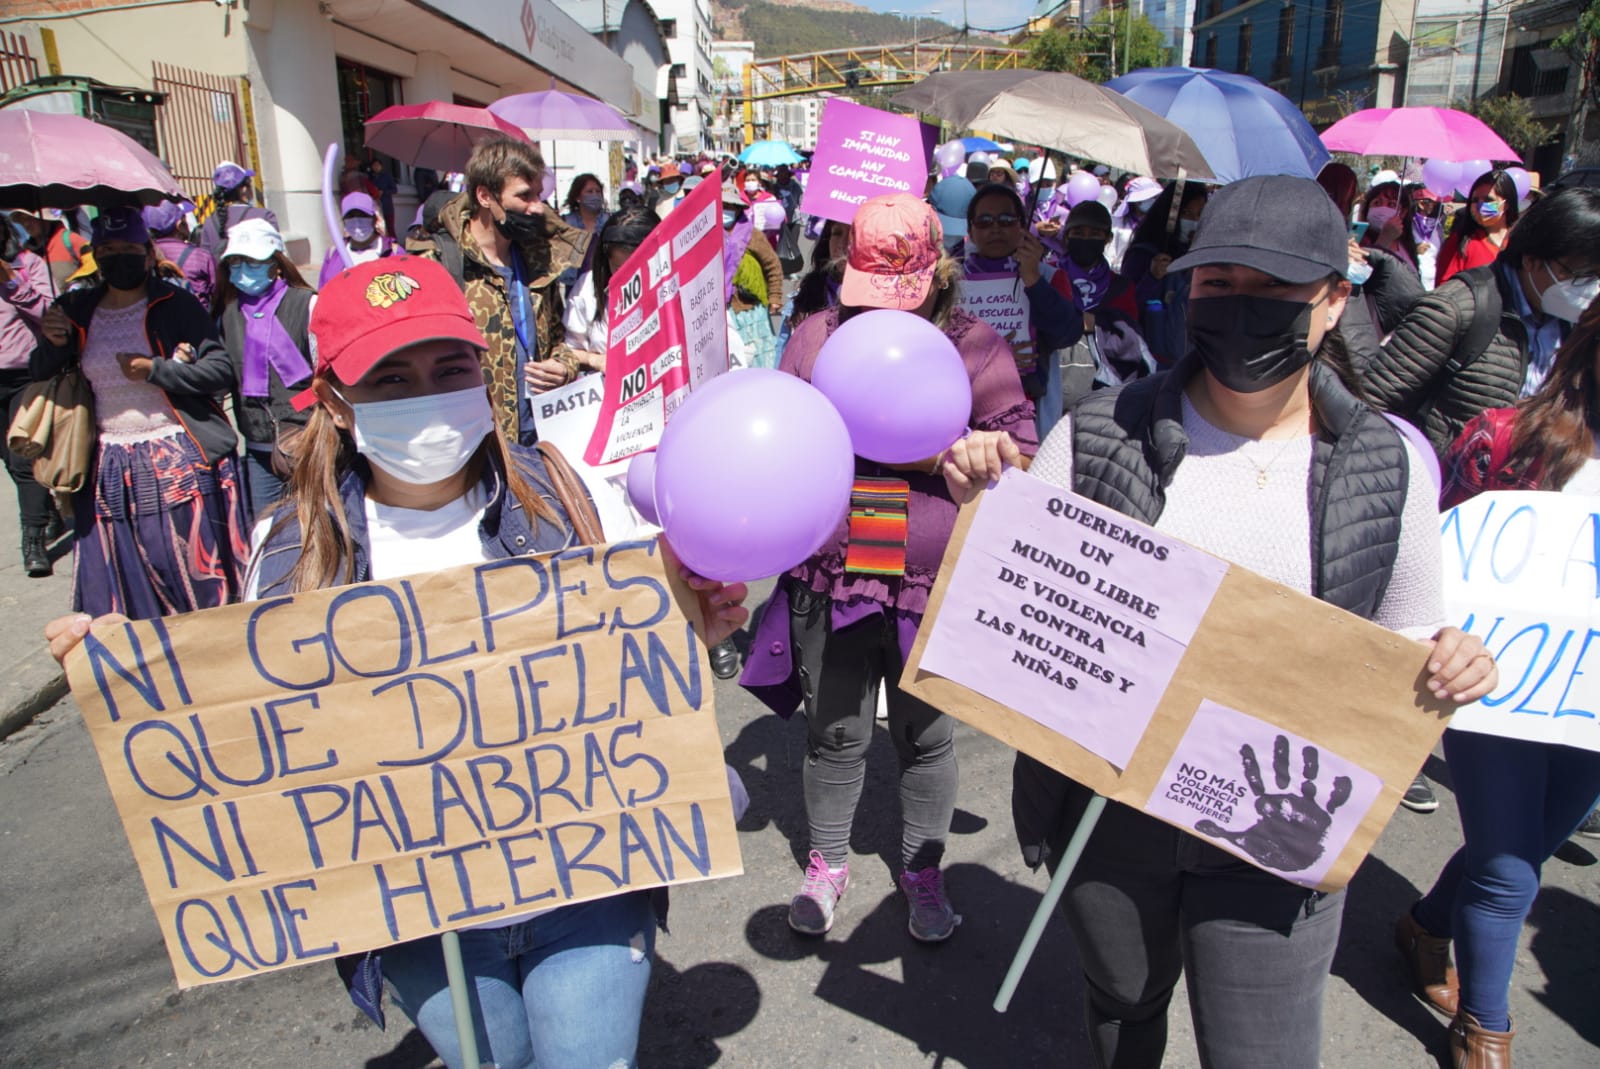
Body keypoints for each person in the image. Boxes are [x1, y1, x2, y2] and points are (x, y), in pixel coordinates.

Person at [43, 254, 750, 1069]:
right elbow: (257, 744)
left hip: (583, 883)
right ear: (337, 404)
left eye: (449, 368)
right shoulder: (292, 552)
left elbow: (630, 672)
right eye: (389, 378)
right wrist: (133, 690)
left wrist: (685, 630)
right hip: (422, 915)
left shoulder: (566, 496)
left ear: (484, 375)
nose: (426, 396)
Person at [1004, 175, 1496, 1069]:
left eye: (1273, 291)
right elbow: (1026, 611)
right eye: (1218, 284)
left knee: (1261, 1051)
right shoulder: (1097, 432)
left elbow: (1409, 641)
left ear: (1336, 298)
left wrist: (1450, 662)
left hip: (1281, 830)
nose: (1242, 310)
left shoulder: (1387, 464)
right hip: (1109, 814)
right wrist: (982, 508)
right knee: (1121, 1007)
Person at [741, 192, 1038, 944]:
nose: (886, 315)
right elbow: (781, 439)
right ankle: (827, 863)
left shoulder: (977, 348)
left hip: (930, 580)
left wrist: (985, 456)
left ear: (942, 271)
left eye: (905, 295)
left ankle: (922, 869)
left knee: (925, 737)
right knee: (834, 732)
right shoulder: (814, 336)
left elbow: (1024, 452)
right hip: (834, 570)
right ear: (846, 266)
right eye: (871, 295)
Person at [1396, 298, 1600, 1067]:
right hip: (1495, 688)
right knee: (1511, 868)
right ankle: (1484, 1032)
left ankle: (1424, 924)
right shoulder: (1508, 436)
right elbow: (1432, 550)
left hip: (1590, 705)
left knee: (1526, 846)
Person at [32, 206, 247, 618]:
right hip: (106, 464)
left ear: (148, 253)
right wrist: (54, 341)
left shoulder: (175, 304)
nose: (118, 257)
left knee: (183, 565)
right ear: (95, 255)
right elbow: (41, 373)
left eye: (128, 247)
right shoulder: (76, 308)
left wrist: (156, 370)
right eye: (107, 249)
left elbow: (220, 370)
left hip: (176, 457)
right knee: (123, 572)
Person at [1364, 186, 1600, 455]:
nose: (1591, 288)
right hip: (1448, 486)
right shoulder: (1455, 309)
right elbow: (1373, 408)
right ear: (1533, 260)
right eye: (1582, 275)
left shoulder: (1576, 323)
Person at [412, 137, 589, 445]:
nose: (537, 207)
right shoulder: (438, 265)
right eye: (524, 196)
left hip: (539, 438)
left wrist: (563, 365)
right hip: (473, 445)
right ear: (485, 196)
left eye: (538, 195)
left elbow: (558, 340)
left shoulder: (538, 260)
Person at [956, 182, 1083, 439]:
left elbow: (1067, 334)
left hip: (1030, 418)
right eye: (984, 221)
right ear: (970, 229)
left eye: (1005, 220)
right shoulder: (953, 280)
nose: (995, 229)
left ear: (1021, 227)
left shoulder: (1049, 276)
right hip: (964, 414)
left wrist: (1033, 279)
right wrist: (994, 360)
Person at [216, 218, 316, 522]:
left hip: (308, 440)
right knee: (267, 529)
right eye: (237, 262)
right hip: (258, 446)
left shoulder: (307, 304)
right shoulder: (227, 314)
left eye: (253, 262)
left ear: (275, 263)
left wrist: (295, 408)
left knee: (318, 522)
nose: (244, 270)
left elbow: (326, 376)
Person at [0, 217, 61, 575]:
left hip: (26, 374)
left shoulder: (29, 264)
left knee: (23, 458)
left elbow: (49, 315)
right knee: (9, 460)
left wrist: (11, 281)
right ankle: (47, 509)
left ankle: (34, 543)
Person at [563, 207, 659, 376]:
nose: (631, 278)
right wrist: (596, 360)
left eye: (640, 268)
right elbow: (569, 351)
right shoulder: (587, 289)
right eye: (620, 269)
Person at [1122, 181, 1209, 366]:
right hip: (1149, 361)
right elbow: (1126, 307)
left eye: (1199, 214)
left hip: (1192, 360)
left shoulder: (1205, 257)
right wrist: (1152, 278)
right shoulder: (1144, 254)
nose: (1193, 221)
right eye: (1186, 213)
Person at [722, 179, 784, 371]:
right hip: (721, 311)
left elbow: (772, 265)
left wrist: (774, 297)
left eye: (730, 205)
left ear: (738, 208)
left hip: (750, 310)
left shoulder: (752, 234)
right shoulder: (707, 234)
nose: (726, 209)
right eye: (722, 205)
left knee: (756, 359)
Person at [1436, 170, 1521, 286]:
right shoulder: (1460, 242)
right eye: (1475, 200)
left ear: (1506, 204)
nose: (1480, 206)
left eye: (1488, 200)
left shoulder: (1521, 241)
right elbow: (1444, 289)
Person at [1365, 182, 1446, 291]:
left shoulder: (1405, 244)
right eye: (1377, 203)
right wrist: (1384, 240)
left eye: (1391, 204)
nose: (1383, 209)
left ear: (1403, 212)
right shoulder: (1360, 242)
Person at [195, 161, 278, 264]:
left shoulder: (209, 222)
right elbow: (275, 252)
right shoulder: (264, 216)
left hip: (222, 279)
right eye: (249, 183)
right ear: (243, 189)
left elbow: (206, 259)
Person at [143, 202, 217, 312]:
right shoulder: (200, 255)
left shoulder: (146, 256)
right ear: (179, 225)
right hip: (197, 319)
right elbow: (217, 292)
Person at [318, 192, 397, 288]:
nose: (357, 221)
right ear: (344, 221)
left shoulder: (393, 252)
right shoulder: (334, 253)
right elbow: (323, 291)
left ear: (374, 219)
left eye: (362, 215)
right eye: (350, 216)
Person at [11, 207, 88, 294]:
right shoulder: (24, 254)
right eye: (22, 220)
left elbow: (95, 271)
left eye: (30, 218)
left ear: (46, 218)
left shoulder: (71, 240)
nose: (26, 224)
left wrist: (78, 286)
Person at [558, 173, 609, 293]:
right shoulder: (567, 222)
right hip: (575, 285)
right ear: (578, 197)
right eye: (589, 191)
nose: (595, 195)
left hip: (603, 284)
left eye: (597, 191)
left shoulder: (608, 220)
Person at [1108, 176, 1161, 271]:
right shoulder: (1116, 223)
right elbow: (1109, 254)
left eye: (1155, 197)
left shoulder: (1158, 224)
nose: (1153, 200)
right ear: (1137, 202)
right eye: (1149, 197)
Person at [367, 157, 399, 237]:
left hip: (387, 205)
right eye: (374, 165)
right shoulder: (369, 178)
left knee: (390, 227)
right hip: (375, 206)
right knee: (378, 227)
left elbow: (394, 189)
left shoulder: (387, 176)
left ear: (381, 166)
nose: (376, 167)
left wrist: (384, 192)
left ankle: (394, 245)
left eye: (378, 165)